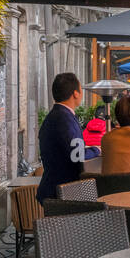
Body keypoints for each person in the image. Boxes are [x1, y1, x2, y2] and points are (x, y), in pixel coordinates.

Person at [36, 72, 85, 202]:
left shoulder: (57, 115)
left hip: (55, 189)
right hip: (61, 192)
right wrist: (98, 150)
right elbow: (77, 154)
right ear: (75, 93)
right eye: (81, 90)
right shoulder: (64, 118)